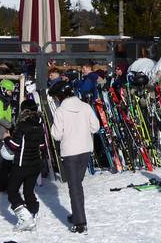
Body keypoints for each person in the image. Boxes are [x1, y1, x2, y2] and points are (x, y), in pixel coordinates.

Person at [50, 81, 99, 234]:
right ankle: (77, 215)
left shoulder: (60, 111)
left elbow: (56, 135)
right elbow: (95, 127)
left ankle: (80, 223)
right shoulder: (85, 106)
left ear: (60, 96)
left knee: (75, 187)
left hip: (70, 152)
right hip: (85, 149)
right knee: (77, 184)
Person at [4, 99, 46, 231]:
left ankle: (25, 217)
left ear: (24, 111)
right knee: (28, 191)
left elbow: (15, 145)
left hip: (22, 164)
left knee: (12, 191)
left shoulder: (22, 125)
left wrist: (6, 138)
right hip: (35, 165)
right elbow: (42, 146)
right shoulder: (40, 125)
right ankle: (33, 212)